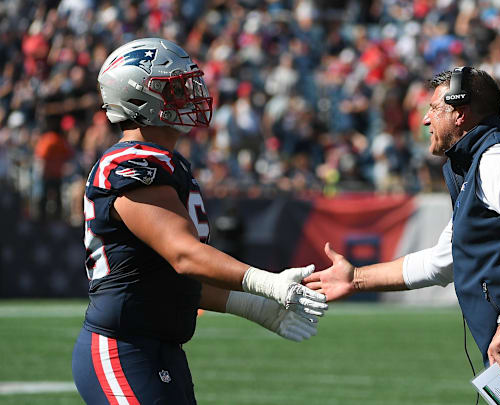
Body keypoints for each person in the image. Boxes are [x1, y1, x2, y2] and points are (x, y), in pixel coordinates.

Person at [304, 67, 500, 404]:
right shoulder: (477, 164)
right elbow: (443, 260)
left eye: (435, 109)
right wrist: (357, 279)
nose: (425, 120)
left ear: (460, 114)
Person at [71, 38, 328, 405]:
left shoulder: (168, 162)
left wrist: (255, 306)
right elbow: (186, 256)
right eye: (174, 88)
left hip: (161, 350)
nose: (190, 94)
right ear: (140, 99)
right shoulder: (131, 166)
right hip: (122, 347)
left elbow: (180, 279)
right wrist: (266, 283)